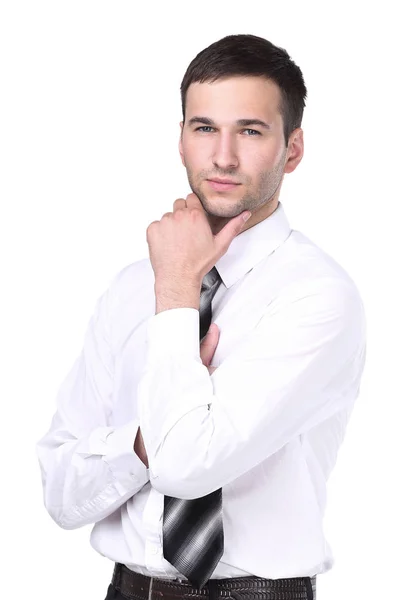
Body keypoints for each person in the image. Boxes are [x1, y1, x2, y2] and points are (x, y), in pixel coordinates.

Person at [37, 34, 366, 600]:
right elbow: (61, 493)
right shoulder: (132, 288)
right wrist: (143, 444)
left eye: (251, 131)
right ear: (183, 139)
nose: (223, 157)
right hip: (125, 590)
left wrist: (177, 290)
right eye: (205, 128)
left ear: (293, 149)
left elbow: (188, 467)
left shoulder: (318, 296)